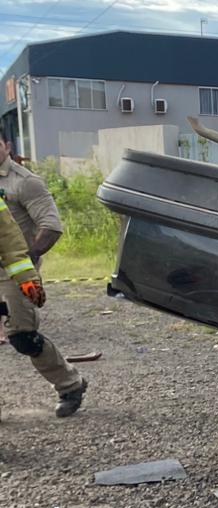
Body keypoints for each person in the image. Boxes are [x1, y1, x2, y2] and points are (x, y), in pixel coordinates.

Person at [0, 135, 86, 417]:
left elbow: (50, 226)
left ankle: (71, 385)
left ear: (7, 146)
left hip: (14, 271)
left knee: (23, 337)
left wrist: (29, 264)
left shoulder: (25, 182)